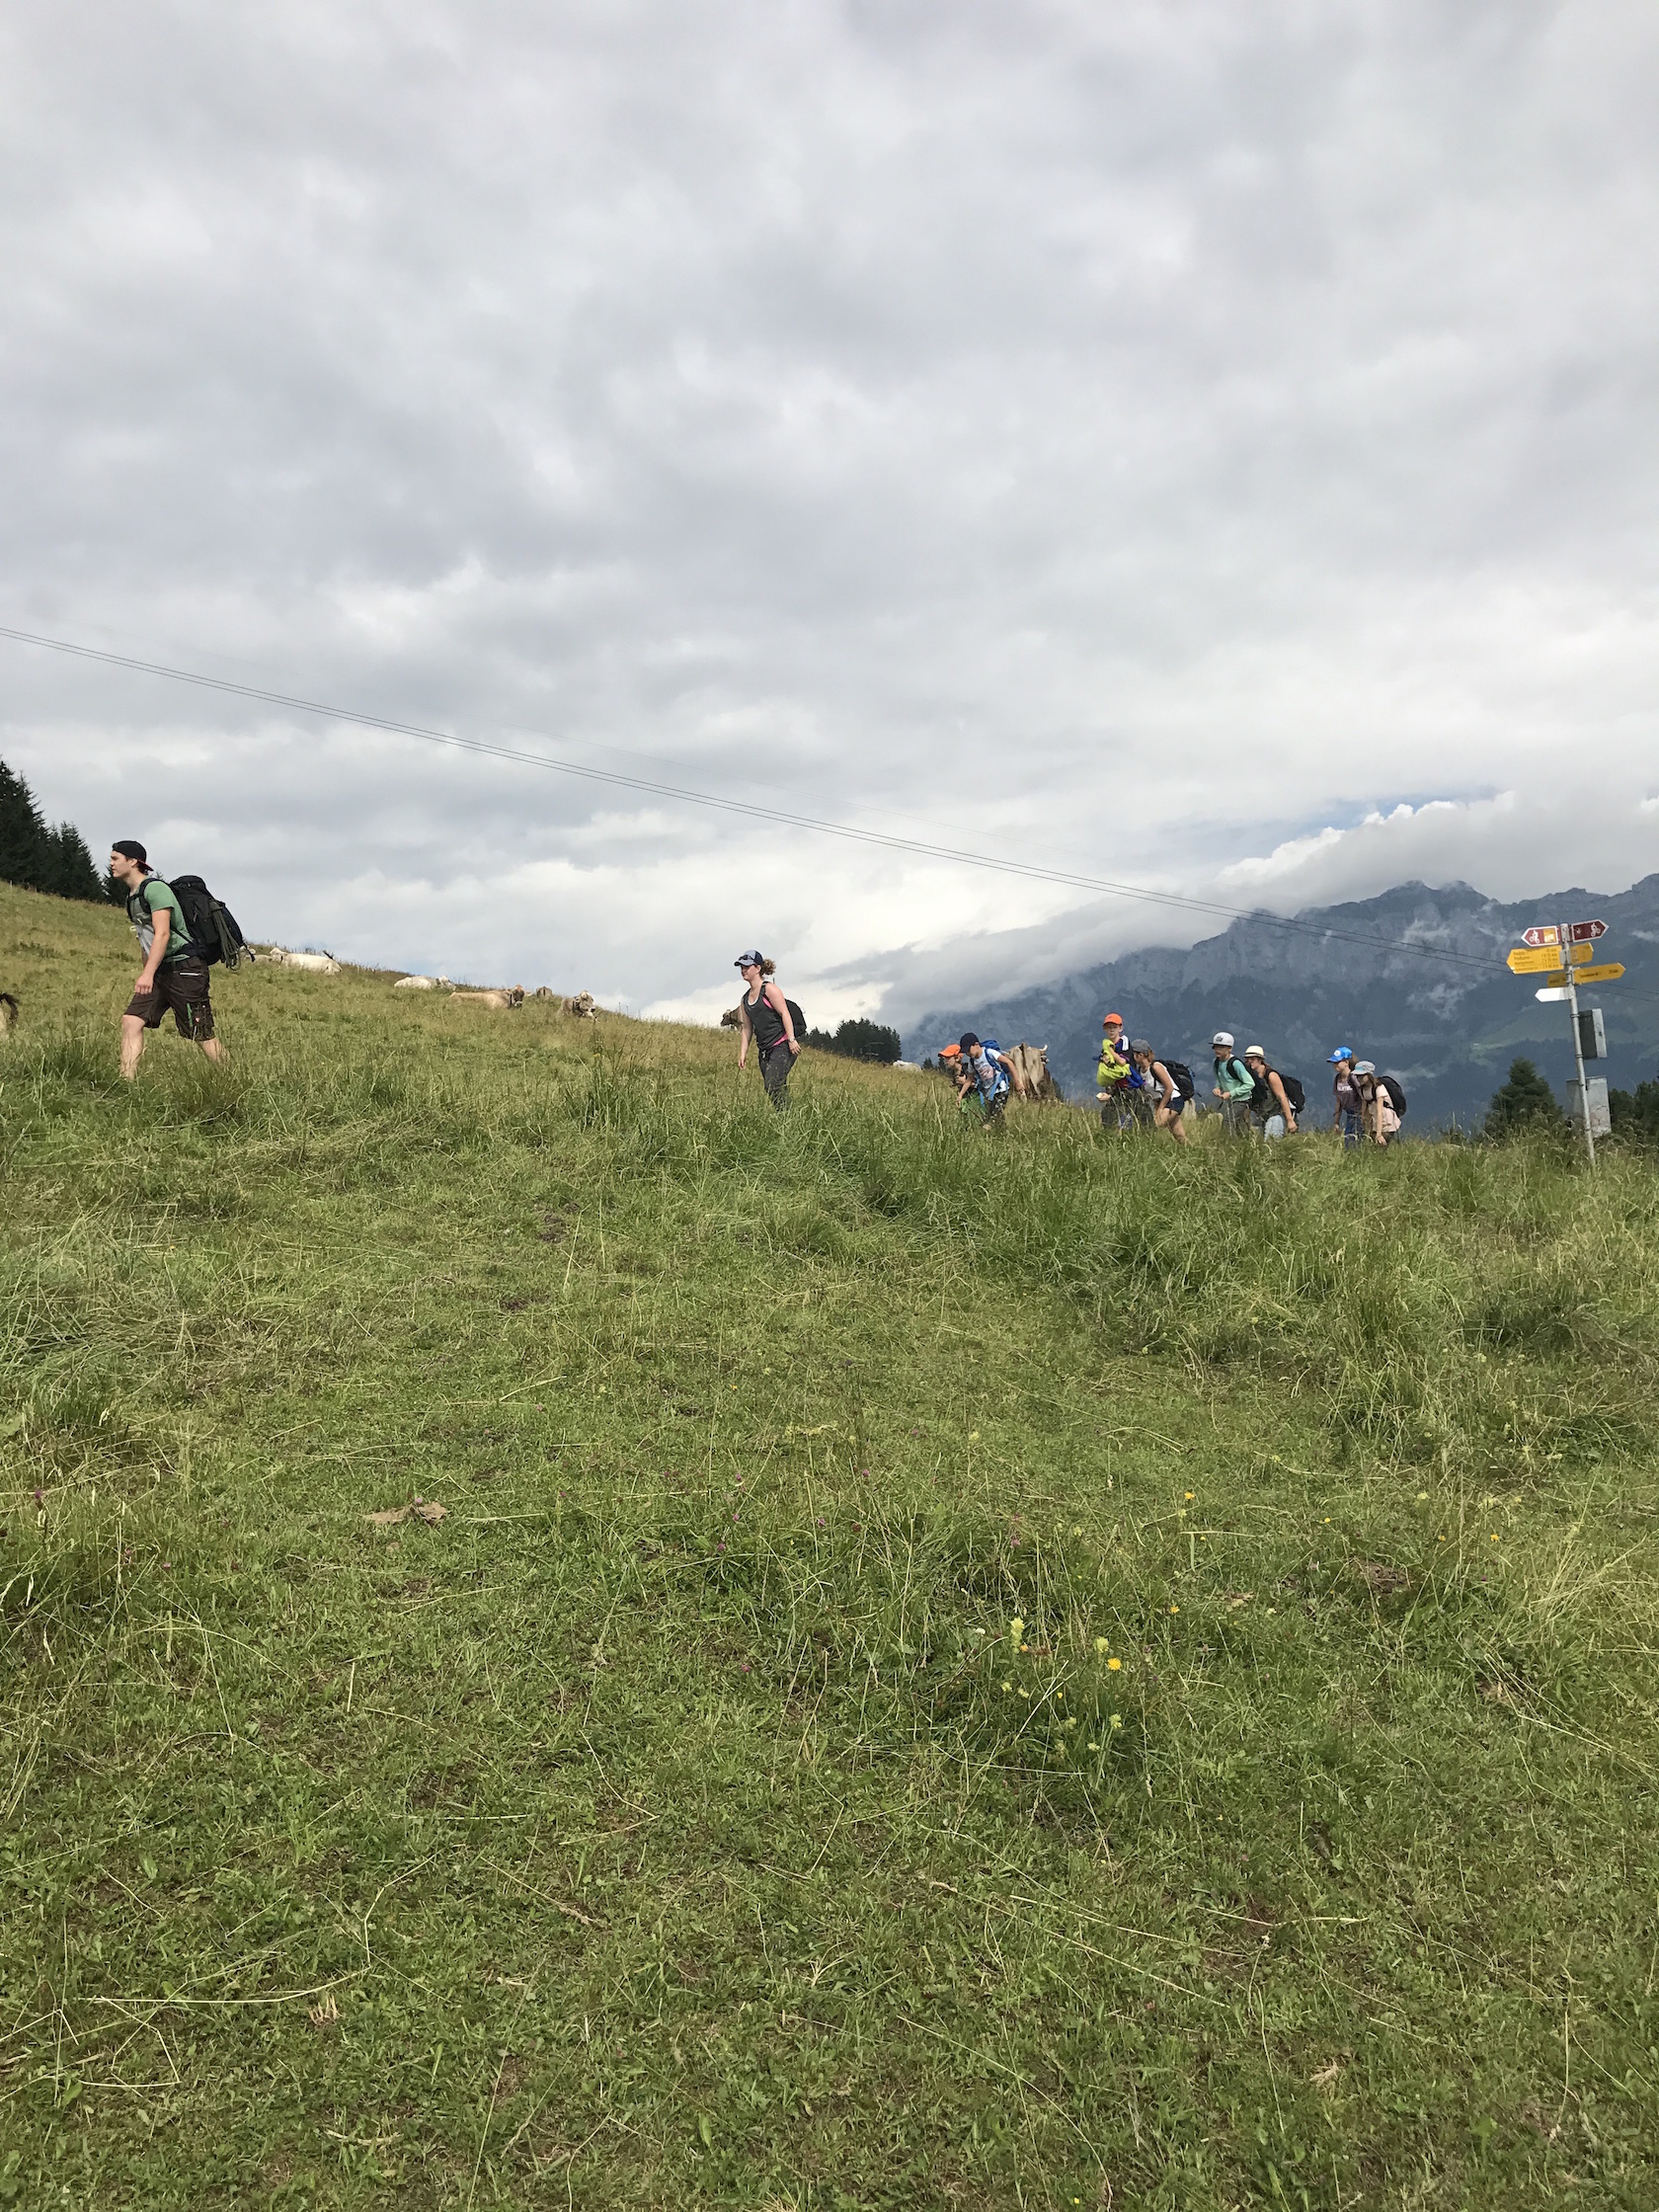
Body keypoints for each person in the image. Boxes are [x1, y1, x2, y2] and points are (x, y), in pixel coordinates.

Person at [109, 840, 225, 1080]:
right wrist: (149, 973)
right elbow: (146, 940)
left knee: (200, 1033)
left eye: (115, 858)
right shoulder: (132, 897)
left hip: (185, 967)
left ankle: (232, 1078)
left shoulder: (155, 890)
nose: (111, 863)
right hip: (160, 971)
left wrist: (147, 974)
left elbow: (163, 934)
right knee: (131, 1021)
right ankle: (125, 1082)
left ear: (133, 861)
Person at [734, 950, 799, 1108]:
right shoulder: (745, 999)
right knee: (776, 1087)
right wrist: (743, 1053)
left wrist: (791, 1040)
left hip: (782, 1045)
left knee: (772, 1085)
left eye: (747, 966)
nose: (743, 970)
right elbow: (747, 1028)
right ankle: (788, 1116)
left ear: (758, 968)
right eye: (741, 967)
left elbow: (784, 1013)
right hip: (764, 1050)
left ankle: (787, 1115)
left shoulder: (769, 989)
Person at [1130, 1041, 1190, 1145]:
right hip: (1161, 1102)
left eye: (1133, 1054)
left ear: (1141, 1055)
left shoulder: (1156, 1067)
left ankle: (1147, 1148)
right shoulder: (1140, 1071)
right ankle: (1194, 1150)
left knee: (1153, 1126)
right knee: (1179, 1136)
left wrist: (1160, 1108)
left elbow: (1169, 1088)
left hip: (1173, 1101)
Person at [957, 1032, 1013, 1125]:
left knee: (992, 1119)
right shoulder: (972, 1062)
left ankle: (992, 1129)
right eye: (965, 1052)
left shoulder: (989, 1053)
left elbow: (1009, 1062)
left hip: (1000, 1089)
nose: (967, 1053)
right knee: (994, 1118)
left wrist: (1018, 1082)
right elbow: (969, 1080)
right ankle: (1003, 1131)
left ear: (976, 1045)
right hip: (989, 1093)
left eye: (968, 1050)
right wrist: (960, 1095)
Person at [1242, 1046, 1298, 1139]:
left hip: (1276, 1115)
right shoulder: (1250, 1077)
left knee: (1271, 1141)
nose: (1249, 1061)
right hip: (1261, 1117)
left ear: (1260, 1060)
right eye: (1247, 1059)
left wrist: (1290, 1121)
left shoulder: (1271, 1075)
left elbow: (1282, 1097)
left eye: (1252, 1059)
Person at [1210, 1032, 1255, 1135]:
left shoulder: (1235, 1063)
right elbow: (1220, 1079)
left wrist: (1231, 1093)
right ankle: (1245, 1142)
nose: (1217, 1050)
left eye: (1221, 1047)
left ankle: (1226, 1142)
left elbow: (1250, 1083)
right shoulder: (1216, 1063)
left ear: (1229, 1048)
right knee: (1240, 1128)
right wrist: (1217, 1088)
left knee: (1227, 1122)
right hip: (1229, 1100)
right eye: (1215, 1047)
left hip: (1241, 1100)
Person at [1096, 1013, 1135, 1131]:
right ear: (1105, 1029)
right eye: (1109, 1027)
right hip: (1116, 1088)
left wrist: (1110, 1052)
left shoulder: (1124, 1043)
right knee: (1107, 1116)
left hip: (1129, 1086)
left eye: (1114, 1027)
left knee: (1127, 1118)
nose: (1111, 1030)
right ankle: (1112, 1137)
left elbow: (1122, 1062)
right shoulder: (1106, 1047)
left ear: (1120, 1028)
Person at [1352, 1061, 1399, 1146]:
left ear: (1369, 1074)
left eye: (1362, 1076)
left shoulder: (1379, 1088)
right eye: (1357, 1076)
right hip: (1373, 1122)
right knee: (1375, 1147)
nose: (1359, 1078)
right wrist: (1364, 1121)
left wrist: (1379, 1134)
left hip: (1386, 1122)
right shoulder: (1362, 1089)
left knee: (1381, 1147)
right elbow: (1364, 1106)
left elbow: (1379, 1112)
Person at [1330, 1047, 1363, 1146]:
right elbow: (1339, 1101)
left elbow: (1363, 1095)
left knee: (1357, 1142)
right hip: (1349, 1114)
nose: (1334, 1065)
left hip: (1360, 1115)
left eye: (1337, 1062)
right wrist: (1336, 1122)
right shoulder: (1337, 1079)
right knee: (1348, 1142)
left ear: (1346, 1062)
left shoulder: (1354, 1077)